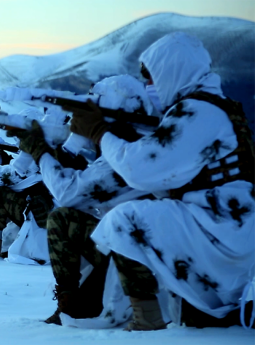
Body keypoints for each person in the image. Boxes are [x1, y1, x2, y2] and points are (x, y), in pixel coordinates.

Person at [67, 32, 255, 330]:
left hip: (219, 227)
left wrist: (99, 133)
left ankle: (147, 320)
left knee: (125, 220)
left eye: (154, 78)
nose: (151, 87)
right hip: (227, 224)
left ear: (174, 70)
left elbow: (139, 171)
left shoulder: (195, 110)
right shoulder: (213, 106)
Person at [14, 74, 158, 327]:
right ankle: (77, 303)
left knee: (62, 219)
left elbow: (66, 194)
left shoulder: (122, 157)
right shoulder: (143, 144)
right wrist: (70, 145)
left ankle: (70, 305)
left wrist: (39, 151)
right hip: (142, 245)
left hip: (138, 253)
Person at [0, 142, 54, 263]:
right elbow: (20, 180)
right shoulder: (50, 157)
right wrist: (6, 163)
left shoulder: (33, 161)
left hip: (38, 219)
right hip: (49, 217)